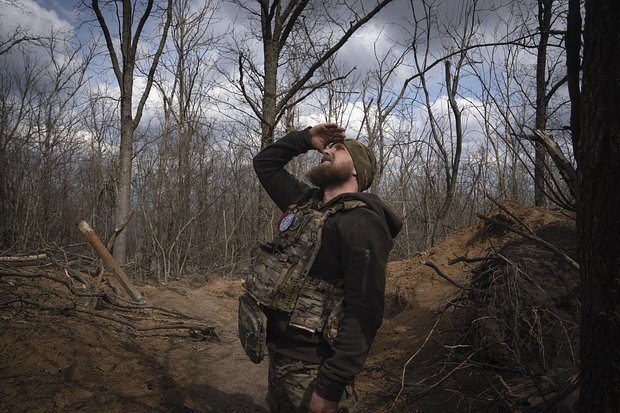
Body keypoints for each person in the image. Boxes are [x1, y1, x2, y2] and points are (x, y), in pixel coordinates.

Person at [243, 123, 402, 413]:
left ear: (358, 170)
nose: (327, 151)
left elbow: (364, 311)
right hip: (280, 356)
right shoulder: (305, 202)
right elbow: (264, 163)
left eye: (338, 149)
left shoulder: (362, 223)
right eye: (328, 147)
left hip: (314, 369)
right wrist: (305, 139)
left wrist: (330, 387)